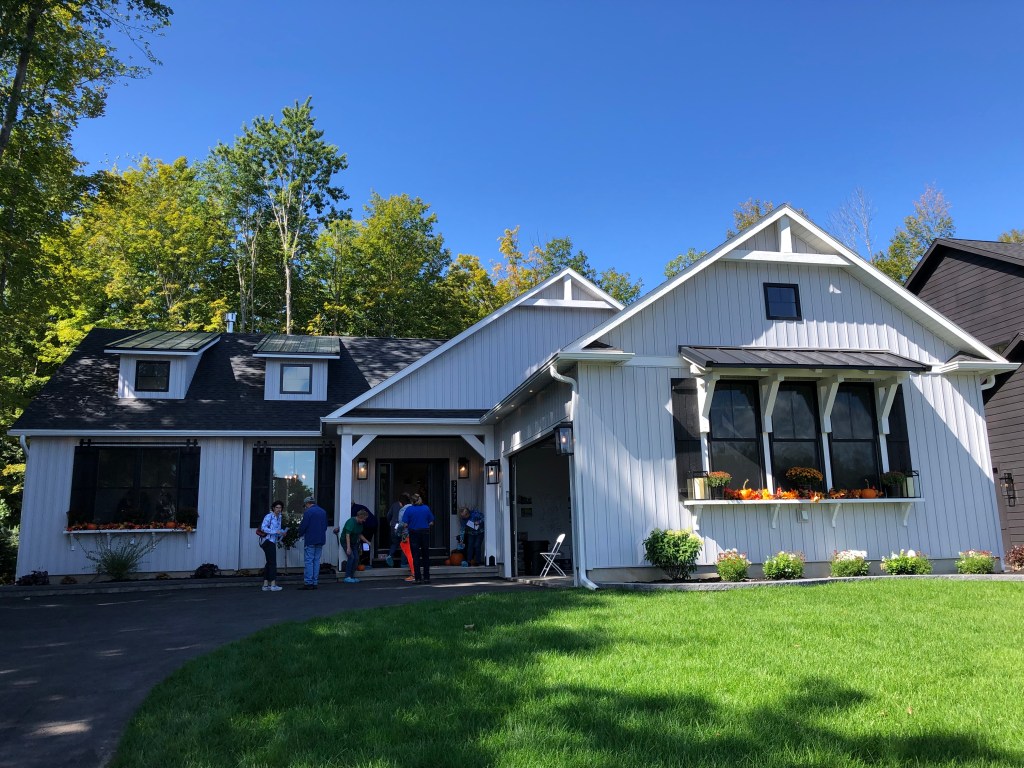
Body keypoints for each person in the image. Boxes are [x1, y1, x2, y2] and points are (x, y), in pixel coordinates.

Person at [297, 496, 328, 590]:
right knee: (316, 561)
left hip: (310, 539)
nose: (305, 507)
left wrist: (299, 533)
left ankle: (308, 582)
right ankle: (315, 582)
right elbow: (325, 526)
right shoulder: (323, 511)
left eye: (305, 505)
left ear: (307, 503)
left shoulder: (308, 512)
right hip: (321, 539)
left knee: (309, 561)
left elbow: (304, 526)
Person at [403, 493, 434, 584]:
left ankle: (418, 578)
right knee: (425, 555)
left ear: (412, 501)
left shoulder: (409, 509)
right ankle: (427, 577)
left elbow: (405, 524)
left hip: (414, 533)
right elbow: (431, 522)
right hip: (425, 532)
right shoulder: (426, 508)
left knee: (415, 556)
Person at [258, 500, 287, 592]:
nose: (279, 509)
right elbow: (263, 528)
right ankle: (273, 584)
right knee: (272, 563)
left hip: (273, 541)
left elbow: (277, 529)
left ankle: (265, 584)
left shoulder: (279, 517)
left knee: (269, 562)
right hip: (267, 541)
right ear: (273, 508)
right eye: (277, 507)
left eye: (280, 507)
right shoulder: (269, 516)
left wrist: (282, 532)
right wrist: (275, 532)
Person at [335, 507, 369, 583]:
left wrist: (367, 541)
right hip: (346, 541)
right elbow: (347, 535)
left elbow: (359, 534)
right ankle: (347, 576)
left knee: (356, 558)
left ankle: (352, 576)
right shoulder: (351, 522)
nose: (364, 521)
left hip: (354, 542)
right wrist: (348, 547)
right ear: (360, 517)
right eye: (364, 519)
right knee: (351, 557)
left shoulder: (360, 524)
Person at [385, 493, 411, 567]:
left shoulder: (394, 505)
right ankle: (403, 563)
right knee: (404, 544)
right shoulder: (409, 507)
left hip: (394, 526)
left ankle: (390, 555)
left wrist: (390, 522)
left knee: (394, 543)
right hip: (404, 527)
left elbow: (388, 515)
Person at [352, 503, 378, 568]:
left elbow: (354, 521)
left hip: (368, 526)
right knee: (366, 543)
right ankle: (365, 561)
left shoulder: (353, 509)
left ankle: (365, 562)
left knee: (364, 543)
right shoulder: (359, 506)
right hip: (373, 524)